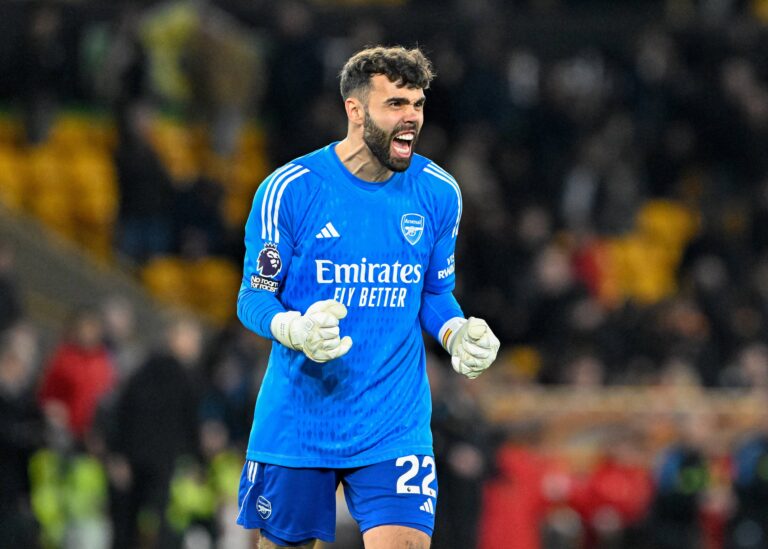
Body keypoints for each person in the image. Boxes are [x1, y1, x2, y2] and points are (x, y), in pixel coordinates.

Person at [235, 45, 500, 549]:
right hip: (300, 421)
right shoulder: (290, 190)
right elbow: (253, 297)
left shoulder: (439, 193)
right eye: (395, 104)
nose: (412, 119)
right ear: (355, 111)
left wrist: (456, 331)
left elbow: (435, 292)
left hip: (393, 422)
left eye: (418, 104)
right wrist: (294, 329)